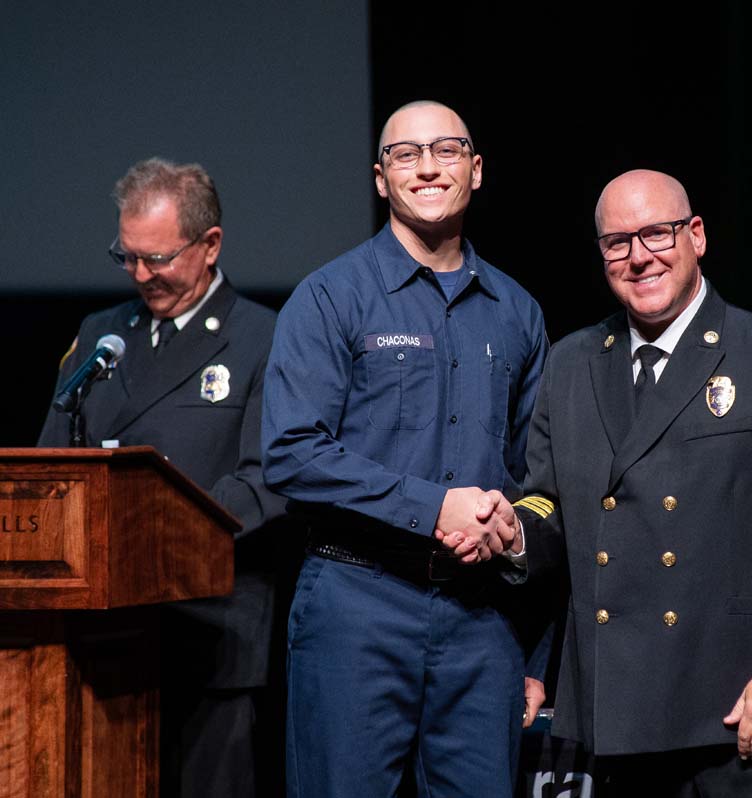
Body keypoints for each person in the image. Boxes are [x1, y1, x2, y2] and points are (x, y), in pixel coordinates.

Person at [507, 169, 752, 795]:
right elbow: (550, 503)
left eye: (657, 233)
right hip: (624, 725)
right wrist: (508, 530)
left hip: (749, 722)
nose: (639, 256)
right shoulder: (570, 364)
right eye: (618, 242)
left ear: (696, 236)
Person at [260, 100, 548, 797]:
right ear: (381, 179)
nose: (426, 167)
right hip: (357, 606)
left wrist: (537, 652)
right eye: (404, 155)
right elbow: (292, 453)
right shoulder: (329, 297)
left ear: (475, 171)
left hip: (483, 624)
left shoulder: (518, 311)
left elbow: (541, 481)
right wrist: (433, 506)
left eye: (445, 151)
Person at [37, 157, 288, 798]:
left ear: (210, 245)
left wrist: (161, 538)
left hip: (213, 628)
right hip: (104, 633)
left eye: (158, 258)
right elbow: (50, 469)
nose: (141, 275)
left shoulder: (264, 337)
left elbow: (267, 479)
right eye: (128, 256)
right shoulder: (100, 337)